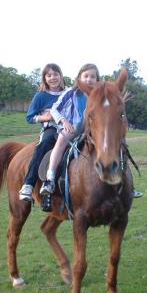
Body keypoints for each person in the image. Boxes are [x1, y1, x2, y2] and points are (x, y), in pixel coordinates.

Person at [40, 63, 99, 195]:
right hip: (74, 127)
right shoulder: (71, 93)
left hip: (94, 129)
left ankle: (123, 182)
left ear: (97, 80)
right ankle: (50, 178)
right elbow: (54, 109)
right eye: (86, 76)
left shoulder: (99, 94)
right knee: (61, 140)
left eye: (93, 77)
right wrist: (63, 120)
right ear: (79, 78)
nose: (89, 79)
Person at [19, 63, 66, 201]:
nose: (53, 78)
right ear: (45, 78)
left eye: (55, 74)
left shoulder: (68, 93)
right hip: (50, 128)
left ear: (60, 76)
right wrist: (46, 117)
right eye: (49, 75)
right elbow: (29, 117)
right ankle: (29, 184)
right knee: (45, 144)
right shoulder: (40, 96)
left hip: (68, 128)